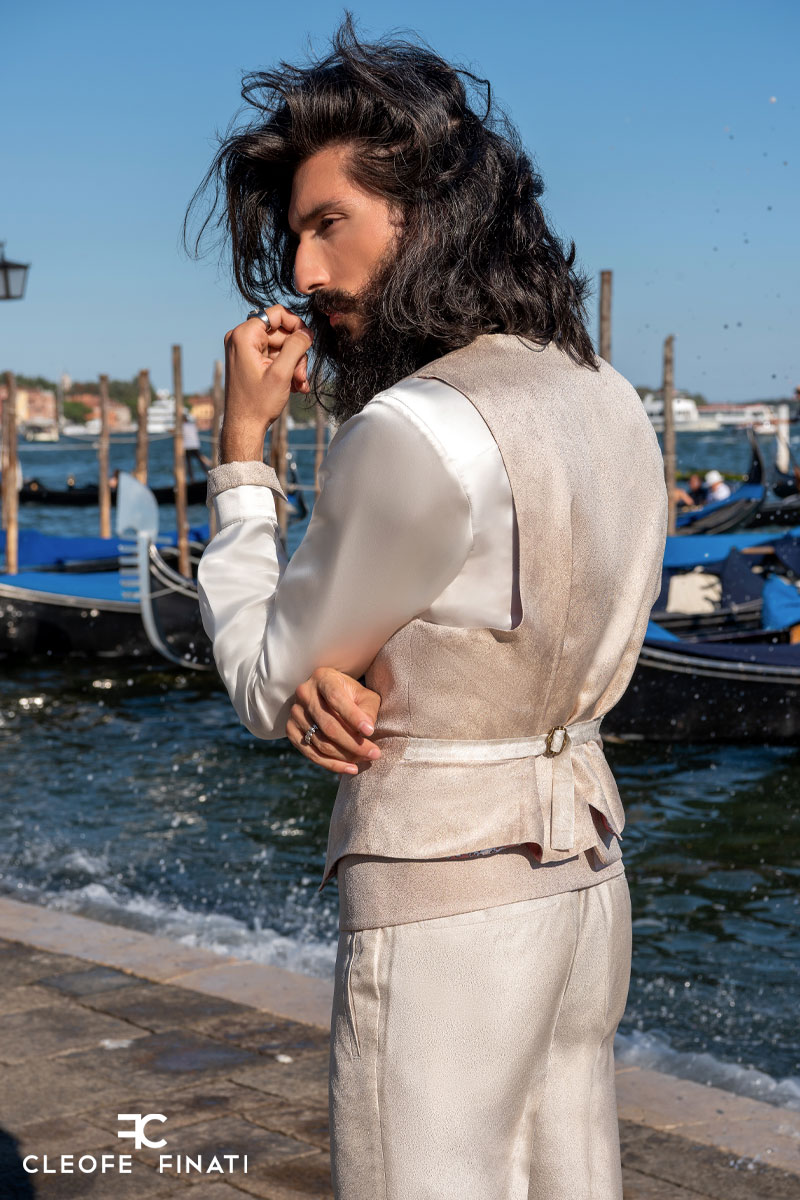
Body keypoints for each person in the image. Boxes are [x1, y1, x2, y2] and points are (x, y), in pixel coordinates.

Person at [191, 18, 667, 1200]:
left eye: (327, 224)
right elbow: (506, 617)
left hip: (442, 896)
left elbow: (262, 678)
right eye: (294, 237)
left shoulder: (411, 429)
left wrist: (241, 457)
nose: (304, 274)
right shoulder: (607, 395)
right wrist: (370, 667)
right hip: (585, 878)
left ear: (426, 211)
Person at [181, 409, 210, 480]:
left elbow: (175, 431)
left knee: (189, 464)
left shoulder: (182, 426)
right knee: (201, 462)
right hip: (195, 446)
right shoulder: (192, 425)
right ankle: (207, 475)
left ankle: (192, 479)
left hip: (187, 447)